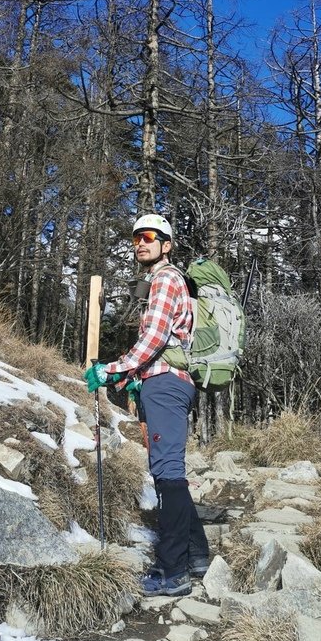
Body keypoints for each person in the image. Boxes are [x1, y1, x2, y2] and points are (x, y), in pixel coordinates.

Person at [84, 213, 210, 597]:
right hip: (162, 381)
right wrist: (129, 377)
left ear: (166, 244)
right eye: (136, 236)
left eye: (150, 237)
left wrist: (112, 369)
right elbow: (159, 346)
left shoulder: (167, 279)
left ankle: (172, 572)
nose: (141, 242)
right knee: (166, 470)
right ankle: (197, 555)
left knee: (168, 472)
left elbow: (154, 338)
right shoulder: (162, 282)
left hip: (167, 385)